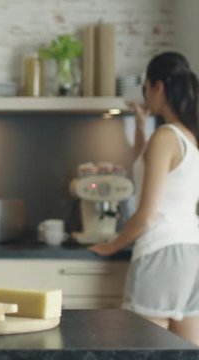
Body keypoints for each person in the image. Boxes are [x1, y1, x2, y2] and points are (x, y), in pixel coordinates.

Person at [89, 52, 199, 345]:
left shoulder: (165, 137)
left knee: (142, 349)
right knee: (186, 350)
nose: (146, 95)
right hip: (190, 252)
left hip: (161, 252)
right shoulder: (188, 136)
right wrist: (140, 126)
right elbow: (143, 165)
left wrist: (111, 246)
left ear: (158, 87)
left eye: (146, 88)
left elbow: (147, 214)